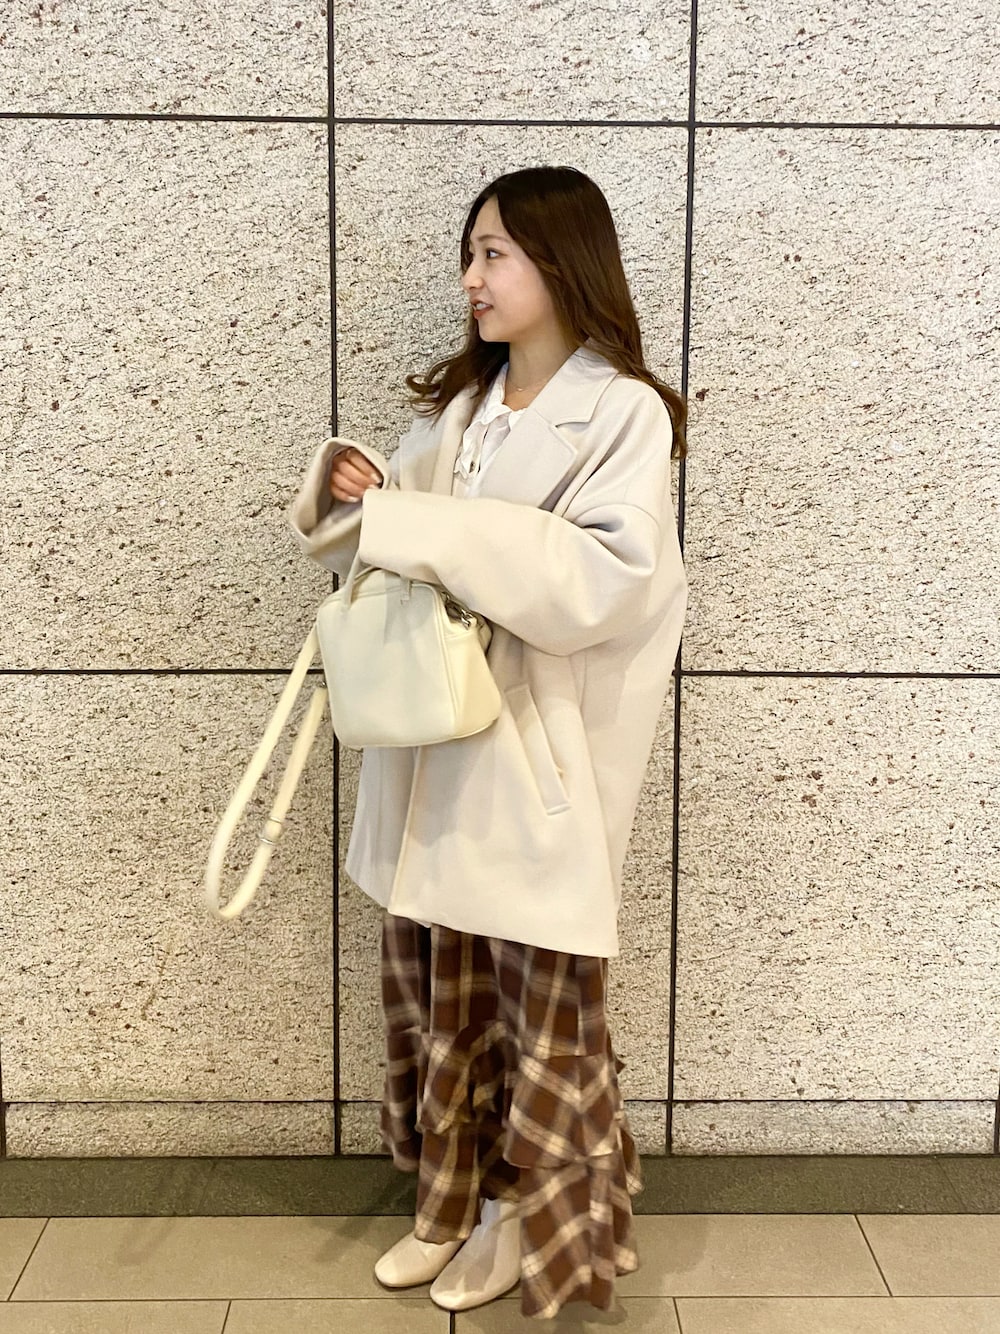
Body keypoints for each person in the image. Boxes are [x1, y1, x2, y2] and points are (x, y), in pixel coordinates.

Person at [287, 165, 688, 1319]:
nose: (471, 276)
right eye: (470, 254)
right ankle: (451, 1195)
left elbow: (602, 581)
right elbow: (383, 543)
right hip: (429, 750)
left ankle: (528, 1212)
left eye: (494, 252)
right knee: (445, 995)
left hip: (533, 763)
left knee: (540, 1005)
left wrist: (420, 522)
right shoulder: (456, 414)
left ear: (562, 261)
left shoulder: (620, 412)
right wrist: (357, 491)